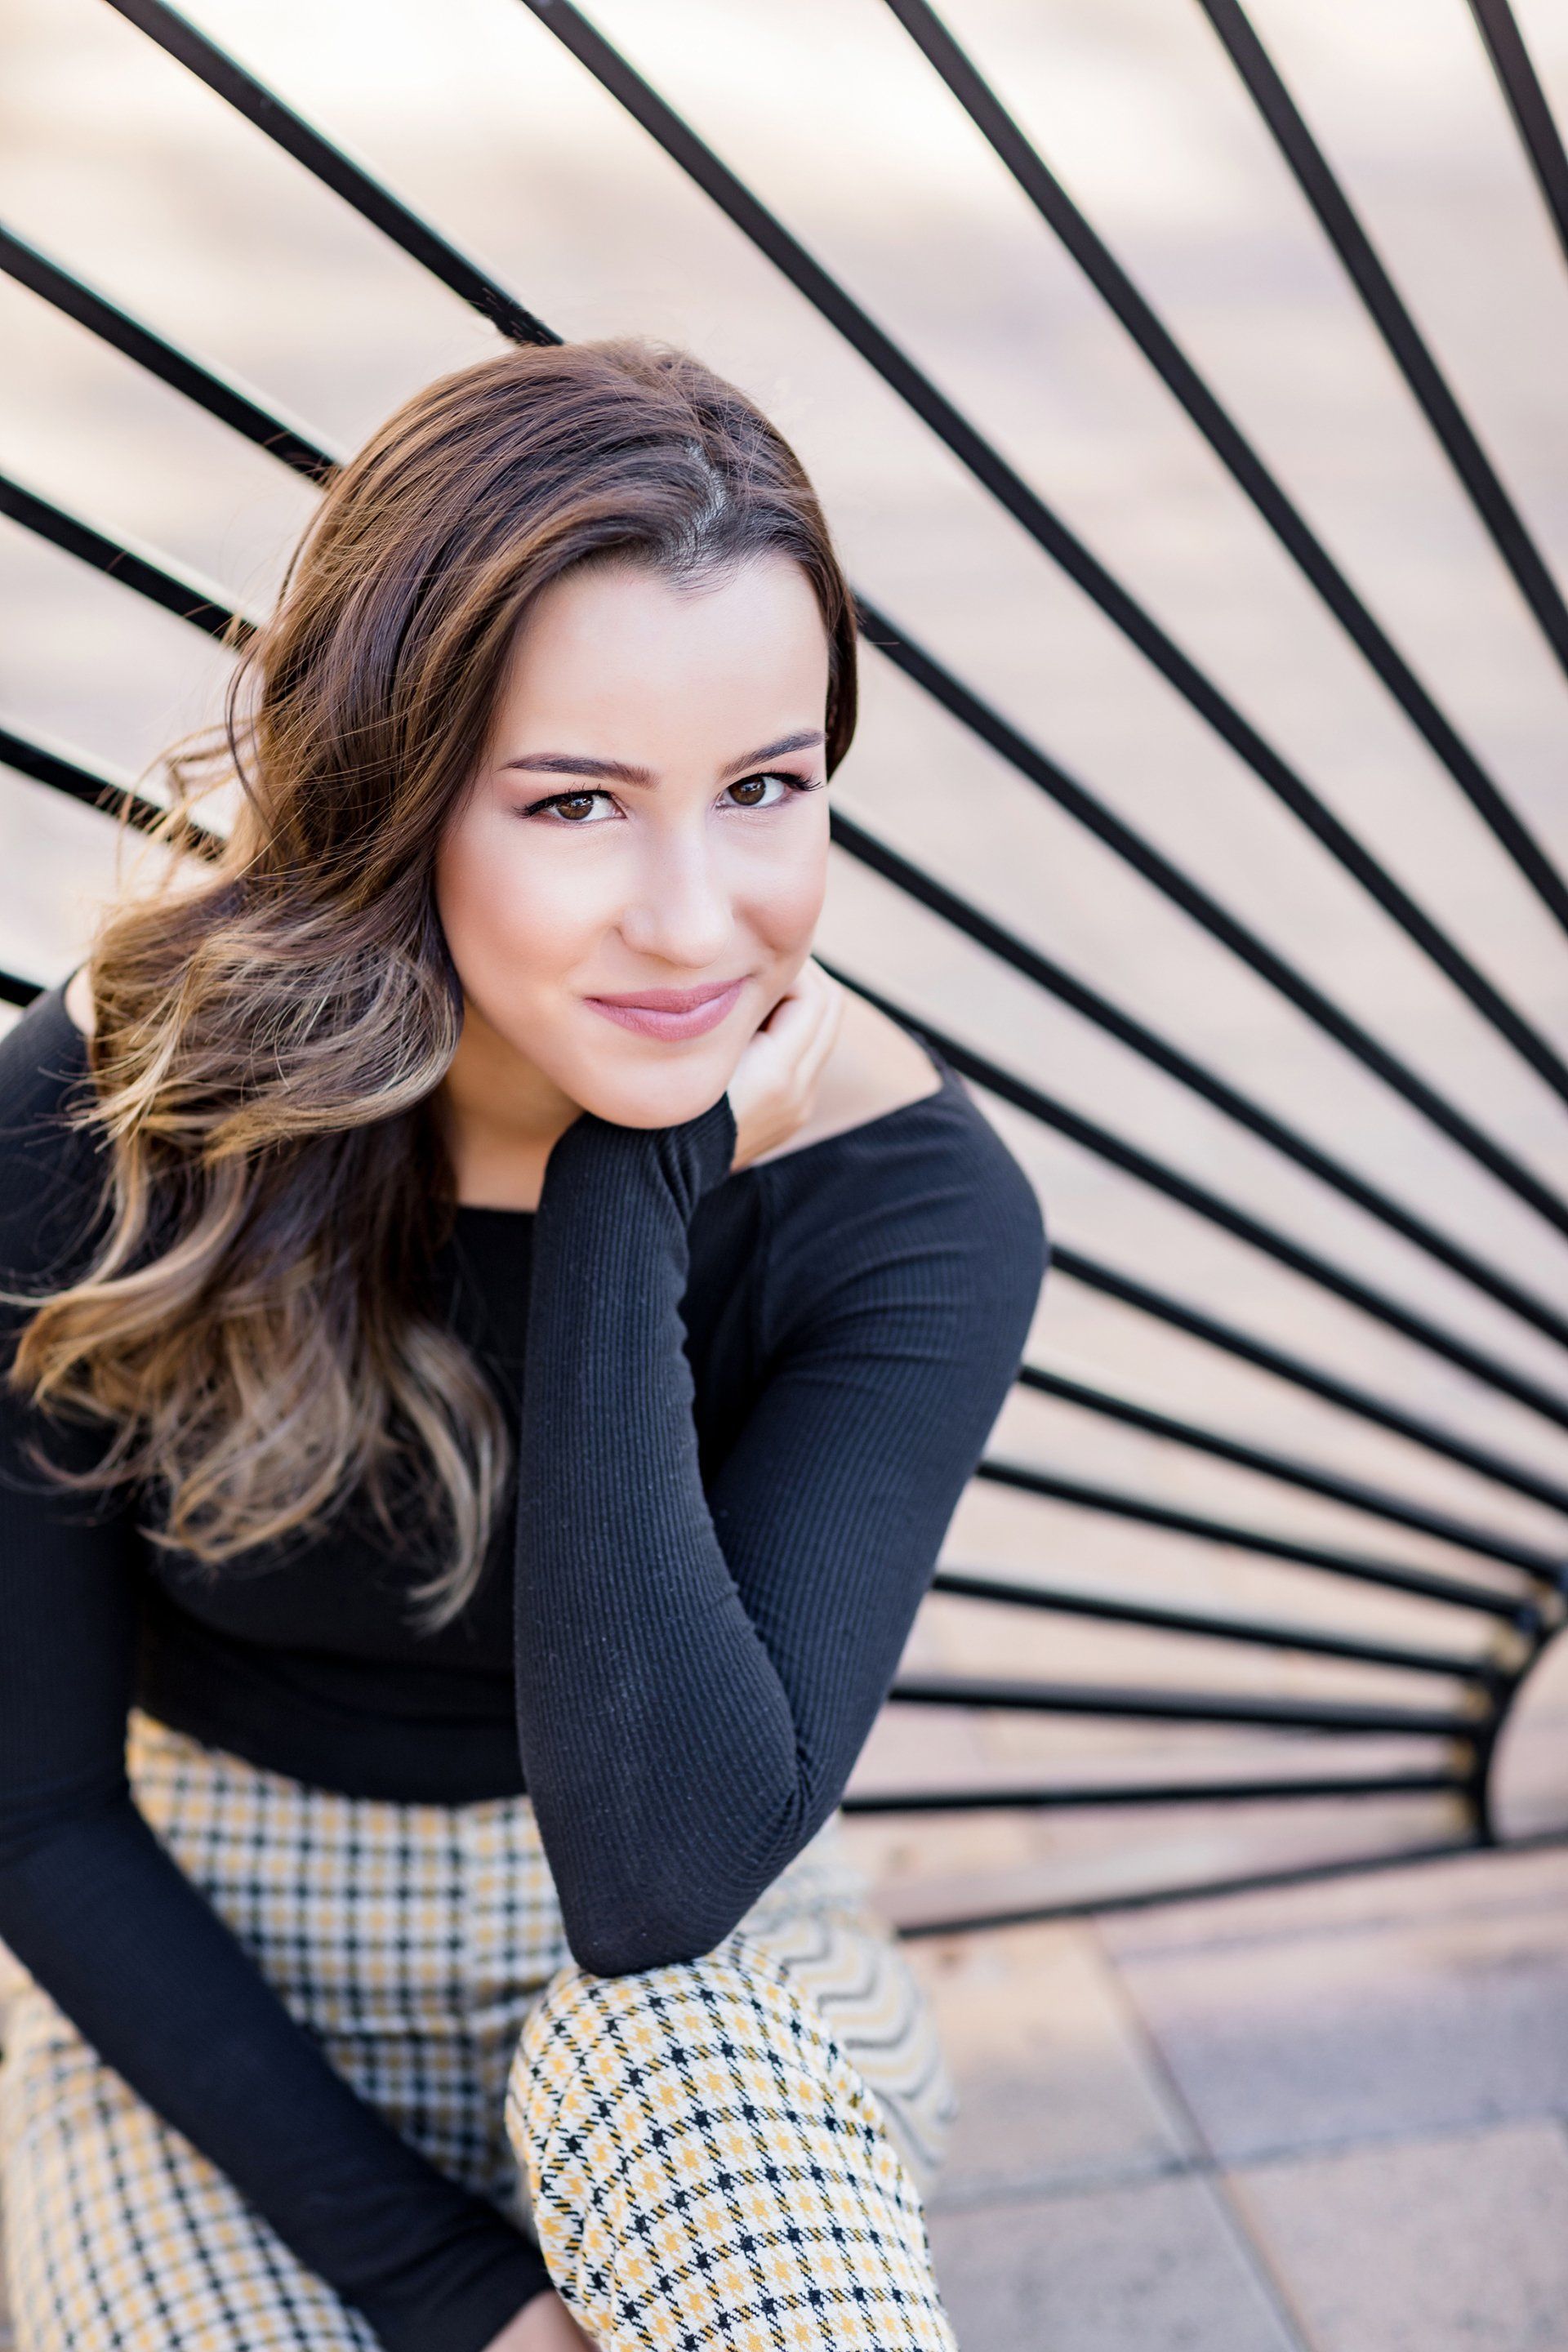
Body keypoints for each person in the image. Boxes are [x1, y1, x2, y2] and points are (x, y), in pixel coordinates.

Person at [0, 337, 1045, 2352]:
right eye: (576, 801)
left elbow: (661, 1881)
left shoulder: (910, 1211)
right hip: (208, 1972)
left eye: (767, 789)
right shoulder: (91, 1127)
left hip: (697, 1977)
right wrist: (460, 2306)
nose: (691, 917)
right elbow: (33, 1809)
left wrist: (619, 1191)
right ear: (396, 799)